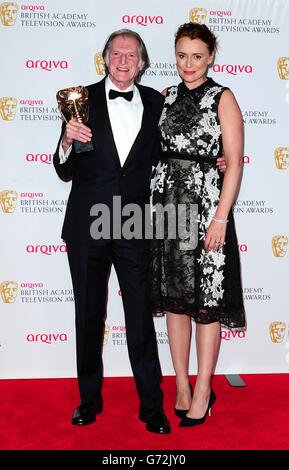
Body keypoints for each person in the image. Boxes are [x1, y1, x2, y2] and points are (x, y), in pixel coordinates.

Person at [53, 29, 171, 434]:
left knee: (139, 315)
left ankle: (151, 405)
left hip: (135, 223)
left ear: (142, 63)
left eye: (132, 54)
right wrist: (66, 142)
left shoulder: (159, 101)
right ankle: (88, 400)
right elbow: (65, 169)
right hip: (87, 224)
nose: (124, 60)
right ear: (105, 59)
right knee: (88, 313)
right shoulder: (78, 100)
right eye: (116, 53)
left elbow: (172, 154)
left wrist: (218, 163)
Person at [150, 22, 246, 427]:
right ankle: (181, 385)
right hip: (167, 212)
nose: (187, 64)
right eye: (181, 55)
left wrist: (221, 217)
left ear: (210, 58)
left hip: (207, 211)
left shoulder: (223, 97)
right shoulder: (164, 97)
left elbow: (234, 162)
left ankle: (204, 389)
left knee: (206, 305)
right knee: (175, 302)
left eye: (197, 56)